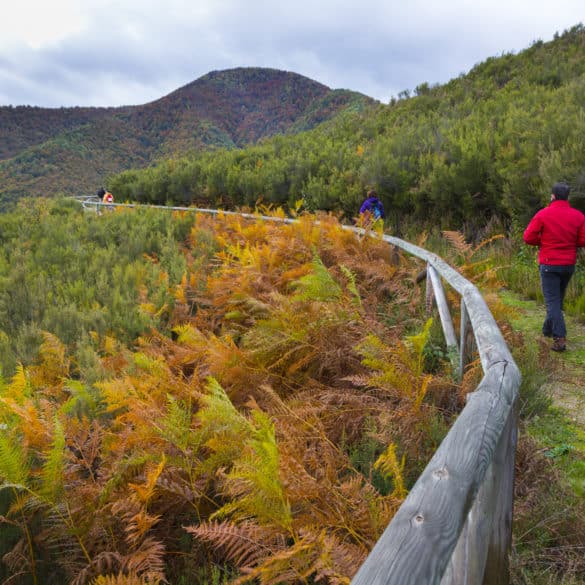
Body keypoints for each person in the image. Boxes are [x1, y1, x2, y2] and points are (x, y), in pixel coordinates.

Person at [523, 181, 585, 351]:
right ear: (567, 196)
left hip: (549, 264)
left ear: (552, 196)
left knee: (552, 302)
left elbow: (528, 237)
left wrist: (542, 241)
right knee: (557, 300)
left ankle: (559, 339)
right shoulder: (578, 216)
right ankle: (547, 329)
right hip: (568, 265)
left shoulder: (543, 214)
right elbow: (582, 240)